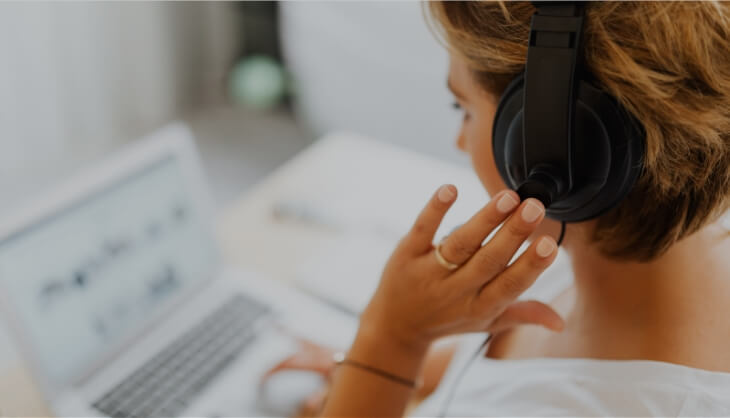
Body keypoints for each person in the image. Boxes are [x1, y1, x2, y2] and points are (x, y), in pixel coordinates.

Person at [264, 2, 730, 416]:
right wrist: (382, 373)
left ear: (557, 145)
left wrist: (390, 340)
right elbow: (518, 358)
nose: (460, 140)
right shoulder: (608, 254)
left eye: (462, 107)